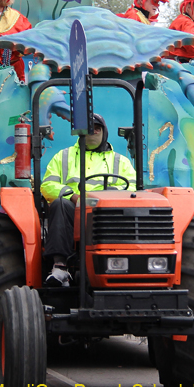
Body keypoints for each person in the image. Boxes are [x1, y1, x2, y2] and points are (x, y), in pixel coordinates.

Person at [40, 115, 137, 287]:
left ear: (104, 132)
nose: (94, 132)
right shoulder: (63, 156)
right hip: (74, 210)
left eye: (97, 128)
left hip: (108, 212)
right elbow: (47, 185)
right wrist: (73, 196)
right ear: (81, 132)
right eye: (89, 128)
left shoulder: (120, 161)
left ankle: (127, 263)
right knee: (60, 203)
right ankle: (60, 267)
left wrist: (108, 197)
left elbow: (132, 187)